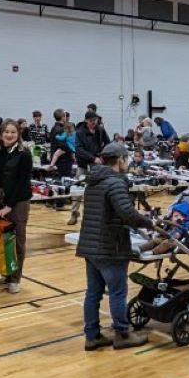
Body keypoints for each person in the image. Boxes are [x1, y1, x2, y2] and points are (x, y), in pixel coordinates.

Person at [76, 143, 152, 350]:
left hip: (91, 246)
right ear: (120, 160)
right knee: (118, 292)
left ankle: (92, 336)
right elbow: (126, 213)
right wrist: (148, 222)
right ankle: (122, 334)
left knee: (93, 293)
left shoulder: (93, 181)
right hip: (110, 246)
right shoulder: (116, 183)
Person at [0, 120, 33, 295]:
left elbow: (22, 182)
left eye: (13, 132)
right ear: (0, 133)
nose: (9, 135)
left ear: (18, 134)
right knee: (2, 239)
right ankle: (6, 273)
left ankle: (15, 279)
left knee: (17, 241)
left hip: (18, 201)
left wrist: (9, 207)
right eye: (6, 132)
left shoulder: (24, 154)